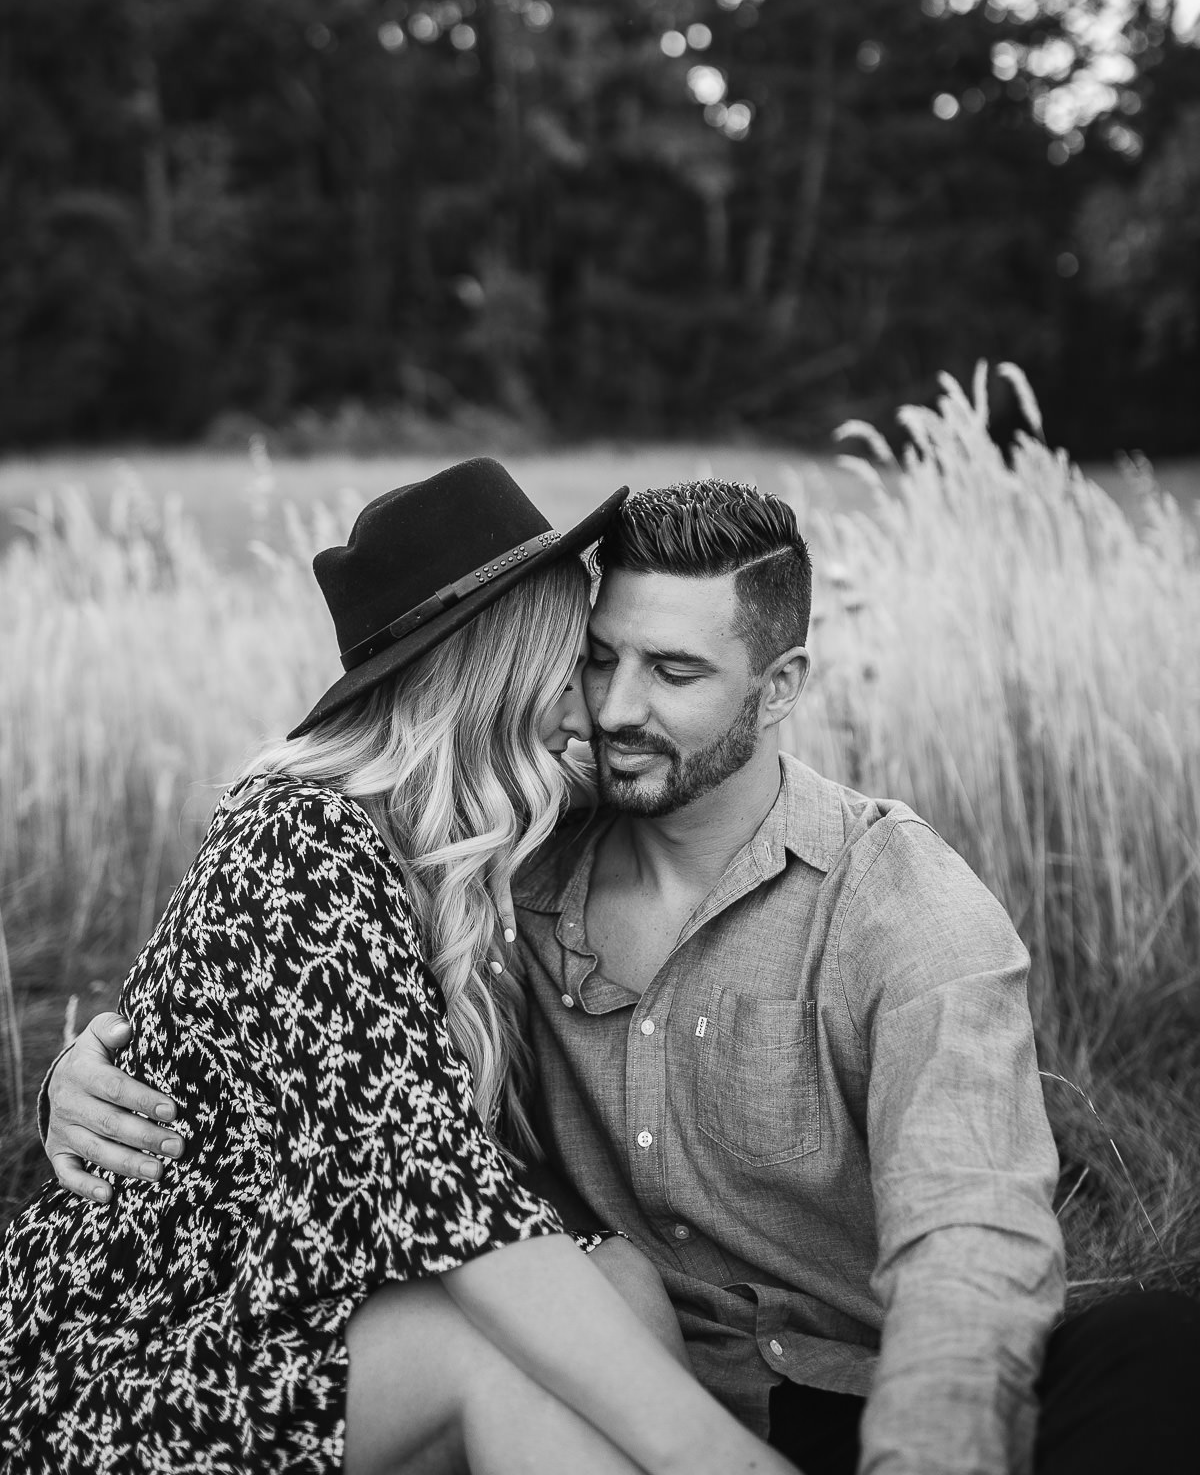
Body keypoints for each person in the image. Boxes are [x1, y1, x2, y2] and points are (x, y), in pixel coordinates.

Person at [42, 479, 1200, 1474]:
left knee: (1154, 1355)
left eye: (675, 671)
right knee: (541, 1333)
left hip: (846, 1388)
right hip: (531, 1368)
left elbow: (969, 1247)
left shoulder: (900, 907)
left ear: (780, 685)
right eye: (593, 660)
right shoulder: (483, 850)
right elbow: (326, 1060)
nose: (617, 709)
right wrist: (87, 1077)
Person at [0, 459, 796, 1475]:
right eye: (580, 659)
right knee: (488, 1356)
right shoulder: (299, 842)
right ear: (499, 671)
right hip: (158, 1342)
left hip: (315, 1302)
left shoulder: (468, 828)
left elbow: (697, 772)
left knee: (624, 1284)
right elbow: (449, 1205)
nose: (601, 702)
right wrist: (722, 1459)